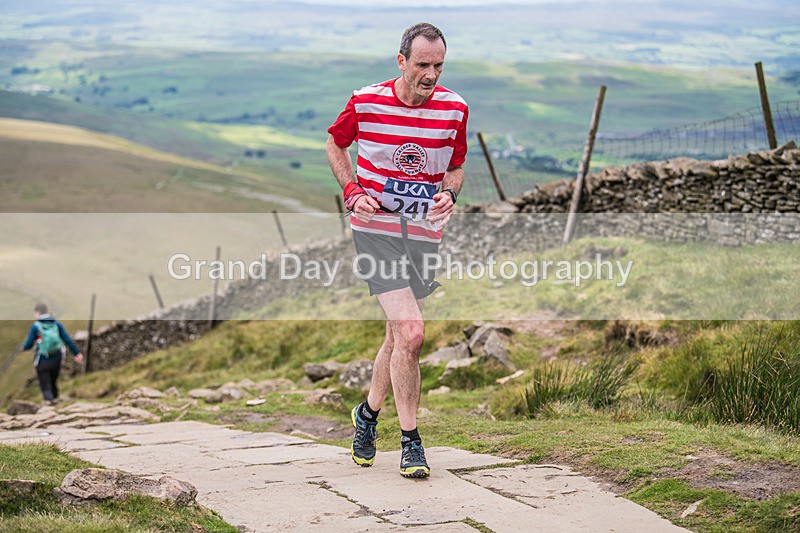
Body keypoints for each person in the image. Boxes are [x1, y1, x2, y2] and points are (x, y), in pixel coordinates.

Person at [326, 22, 468, 478]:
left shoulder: (455, 109)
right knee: (411, 332)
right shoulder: (365, 101)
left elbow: (456, 166)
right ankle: (411, 442)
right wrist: (352, 191)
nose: (431, 75)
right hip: (376, 230)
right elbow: (335, 144)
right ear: (401, 60)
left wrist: (449, 193)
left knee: (395, 337)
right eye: (423, 64)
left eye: (439, 66)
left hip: (422, 234)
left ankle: (367, 415)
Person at [21, 303, 84, 404]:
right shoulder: (56, 324)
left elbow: (29, 344)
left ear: (37, 313)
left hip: (42, 360)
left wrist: (23, 347)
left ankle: (50, 404)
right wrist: (77, 353)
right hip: (57, 358)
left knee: (45, 386)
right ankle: (57, 402)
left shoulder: (36, 326)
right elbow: (67, 340)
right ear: (47, 311)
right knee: (53, 383)